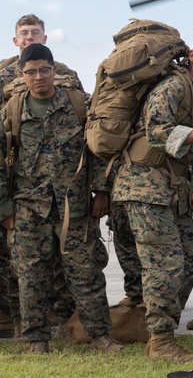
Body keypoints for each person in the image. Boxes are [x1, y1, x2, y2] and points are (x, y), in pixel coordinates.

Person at [113, 28, 193, 361]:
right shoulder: (174, 85)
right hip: (144, 184)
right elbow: (156, 131)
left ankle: (155, 329)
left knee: (189, 264)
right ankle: (161, 340)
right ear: (192, 54)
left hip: (172, 188)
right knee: (165, 266)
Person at [0, 44, 121, 354]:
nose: (38, 77)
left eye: (44, 70)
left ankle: (100, 335)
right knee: (30, 276)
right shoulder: (11, 112)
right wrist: (5, 208)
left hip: (74, 206)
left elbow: (98, 150)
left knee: (86, 273)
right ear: (22, 74)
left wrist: (101, 191)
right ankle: (36, 340)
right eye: (31, 72)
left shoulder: (78, 105)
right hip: (29, 207)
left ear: (54, 70)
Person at [0, 14, 81, 338]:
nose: (30, 37)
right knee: (16, 262)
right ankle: (18, 321)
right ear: (15, 40)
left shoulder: (65, 74)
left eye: (35, 32)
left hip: (59, 188)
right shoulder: (3, 75)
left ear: (44, 38)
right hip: (20, 185)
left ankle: (60, 317)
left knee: (62, 262)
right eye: (24, 33)